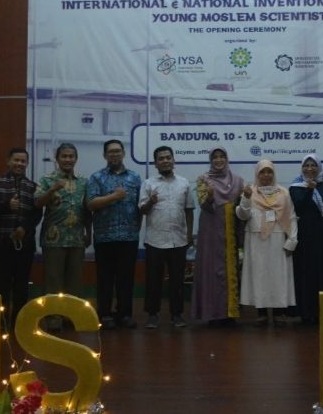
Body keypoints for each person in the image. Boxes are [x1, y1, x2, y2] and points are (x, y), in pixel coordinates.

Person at [0, 147, 42, 328]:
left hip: (25, 245)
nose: (19, 164)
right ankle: (0, 322)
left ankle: (19, 323)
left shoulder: (33, 187)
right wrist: (6, 205)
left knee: (21, 286)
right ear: (8, 161)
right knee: (0, 285)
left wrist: (25, 228)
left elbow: (37, 214)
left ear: (27, 163)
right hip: (0, 244)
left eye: (23, 161)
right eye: (16, 160)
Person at [35, 143, 91, 332]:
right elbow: (37, 203)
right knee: (53, 280)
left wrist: (89, 232)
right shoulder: (47, 179)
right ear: (57, 159)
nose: (68, 159)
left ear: (76, 159)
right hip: (54, 238)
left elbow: (87, 210)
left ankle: (71, 317)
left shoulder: (84, 181)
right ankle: (53, 318)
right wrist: (52, 190)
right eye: (64, 156)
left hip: (77, 238)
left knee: (74, 281)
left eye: (71, 156)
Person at [87, 140, 141, 330]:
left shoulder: (135, 177)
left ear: (124, 153)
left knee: (126, 279)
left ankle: (124, 314)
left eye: (118, 151)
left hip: (129, 237)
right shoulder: (96, 177)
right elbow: (91, 203)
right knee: (105, 279)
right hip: (104, 237)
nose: (115, 154)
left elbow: (140, 206)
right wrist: (114, 197)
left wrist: (136, 228)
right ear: (105, 155)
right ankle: (105, 314)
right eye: (111, 152)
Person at [139, 146, 195, 329]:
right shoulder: (148, 184)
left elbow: (189, 211)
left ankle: (176, 314)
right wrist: (150, 201)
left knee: (177, 280)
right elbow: (142, 210)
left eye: (168, 158)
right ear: (155, 163)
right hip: (155, 239)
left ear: (173, 160)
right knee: (153, 280)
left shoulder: (184, 183)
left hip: (178, 239)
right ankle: (152, 314)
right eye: (161, 158)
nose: (165, 161)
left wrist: (189, 234)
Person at [237, 160, 298, 326]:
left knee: (278, 277)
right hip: (256, 240)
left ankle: (279, 312)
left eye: (269, 172)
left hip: (278, 239)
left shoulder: (283, 193)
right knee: (260, 276)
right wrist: (246, 198)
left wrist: (292, 240)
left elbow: (291, 217)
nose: (266, 175)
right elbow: (242, 215)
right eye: (262, 172)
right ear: (257, 174)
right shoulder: (250, 191)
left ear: (274, 173)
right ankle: (261, 312)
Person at [192, 147, 245, 325]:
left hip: (230, 232)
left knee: (230, 270)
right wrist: (209, 196)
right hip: (211, 231)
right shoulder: (204, 179)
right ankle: (213, 313)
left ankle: (230, 313)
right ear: (210, 160)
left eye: (222, 156)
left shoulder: (238, 181)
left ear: (227, 159)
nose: (219, 160)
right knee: (211, 270)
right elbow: (204, 205)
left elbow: (242, 209)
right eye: (215, 157)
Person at [289, 154, 323, 324]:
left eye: (313, 165)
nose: (310, 169)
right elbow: (299, 207)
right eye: (306, 165)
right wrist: (310, 189)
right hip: (306, 236)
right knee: (307, 272)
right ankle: (307, 311)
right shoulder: (295, 187)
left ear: (319, 167)